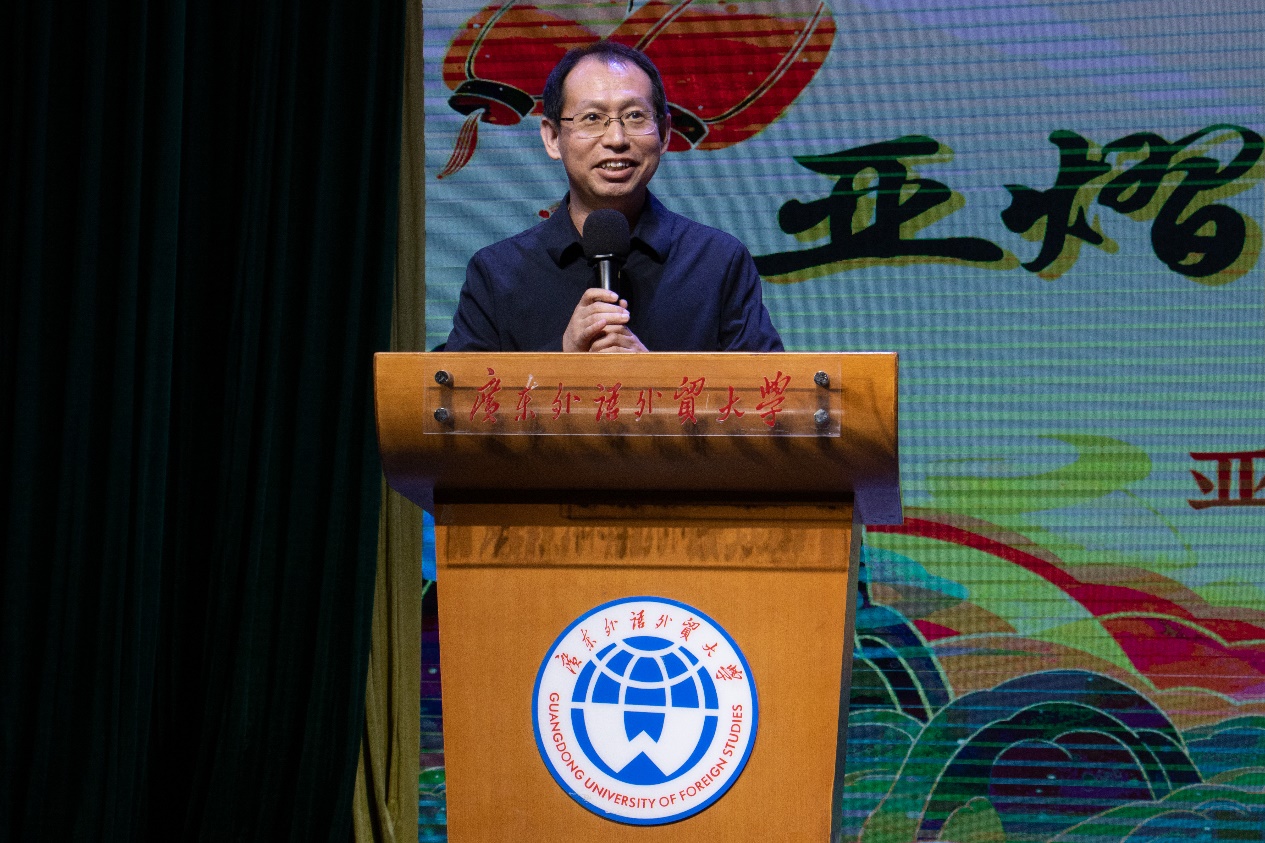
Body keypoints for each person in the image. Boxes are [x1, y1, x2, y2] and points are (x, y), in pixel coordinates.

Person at [445, 41, 783, 353]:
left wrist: (655, 380)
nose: (616, 139)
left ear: (664, 133)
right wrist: (561, 361)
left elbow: (771, 393)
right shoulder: (497, 273)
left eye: (635, 116)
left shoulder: (718, 262)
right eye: (592, 118)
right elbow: (464, 397)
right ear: (552, 137)